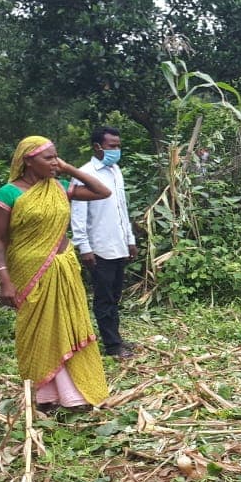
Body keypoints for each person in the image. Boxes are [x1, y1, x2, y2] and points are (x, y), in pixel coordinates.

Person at [0, 136, 113, 411]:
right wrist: (4, 280)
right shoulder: (8, 193)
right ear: (27, 160)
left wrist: (68, 169)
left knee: (68, 327)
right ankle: (46, 396)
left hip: (64, 267)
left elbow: (102, 192)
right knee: (39, 330)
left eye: (57, 157)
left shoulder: (59, 187)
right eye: (48, 158)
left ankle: (73, 396)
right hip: (29, 269)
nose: (54, 162)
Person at [71, 126, 139, 359]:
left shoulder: (115, 170)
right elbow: (78, 215)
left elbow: (122, 209)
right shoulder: (85, 173)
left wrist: (129, 240)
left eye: (118, 146)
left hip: (118, 244)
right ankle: (112, 346)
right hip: (99, 248)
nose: (116, 150)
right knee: (104, 297)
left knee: (115, 294)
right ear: (97, 147)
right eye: (112, 146)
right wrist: (84, 247)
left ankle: (115, 337)